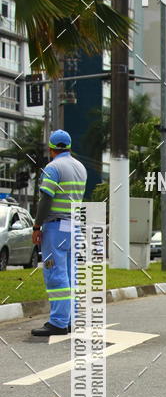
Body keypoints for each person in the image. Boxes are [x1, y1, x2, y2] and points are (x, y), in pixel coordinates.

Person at [31, 130, 87, 337]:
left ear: (51, 148)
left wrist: (37, 226)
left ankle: (58, 322)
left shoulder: (53, 168)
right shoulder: (80, 167)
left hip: (56, 227)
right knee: (71, 275)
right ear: (69, 147)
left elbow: (46, 199)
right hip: (75, 227)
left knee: (55, 274)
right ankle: (70, 319)